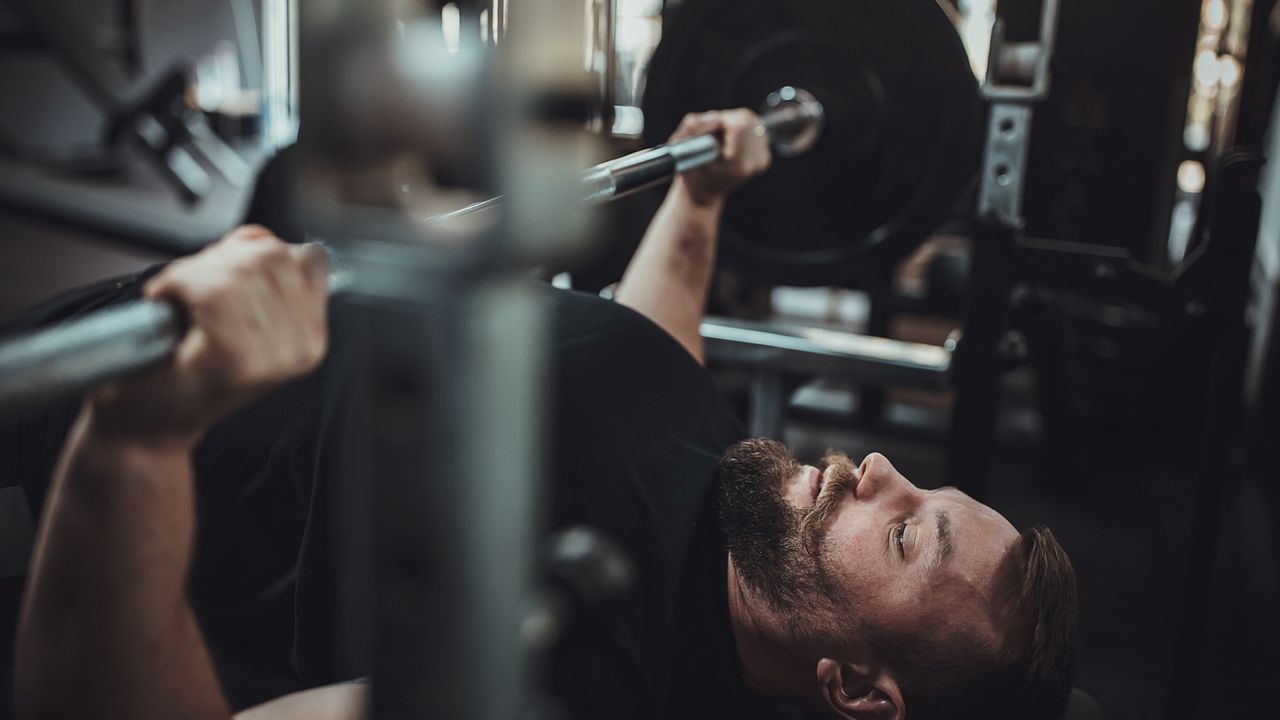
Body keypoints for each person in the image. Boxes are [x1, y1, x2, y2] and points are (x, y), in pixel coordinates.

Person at [10, 109, 1078, 720]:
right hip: (155, 315)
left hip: (87, 455)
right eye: (918, 485)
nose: (876, 467)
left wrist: (137, 440)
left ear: (852, 690)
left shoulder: (568, 673)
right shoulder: (735, 506)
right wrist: (698, 203)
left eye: (901, 532)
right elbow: (647, 349)